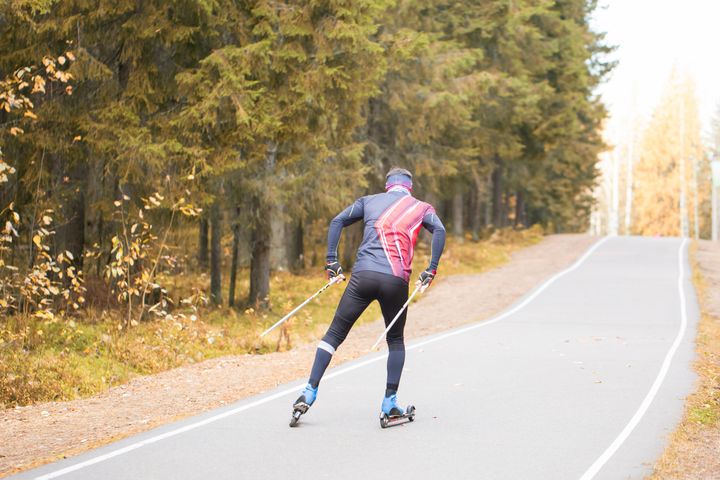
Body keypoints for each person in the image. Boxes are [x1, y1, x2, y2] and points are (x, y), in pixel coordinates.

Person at [291, 167, 446, 424]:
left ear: (387, 185)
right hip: (396, 281)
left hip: (363, 277)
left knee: (334, 335)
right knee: (395, 341)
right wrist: (431, 269)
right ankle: (389, 403)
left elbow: (336, 221)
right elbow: (439, 231)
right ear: (409, 187)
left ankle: (308, 393)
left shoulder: (368, 201)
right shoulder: (422, 208)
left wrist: (332, 261)